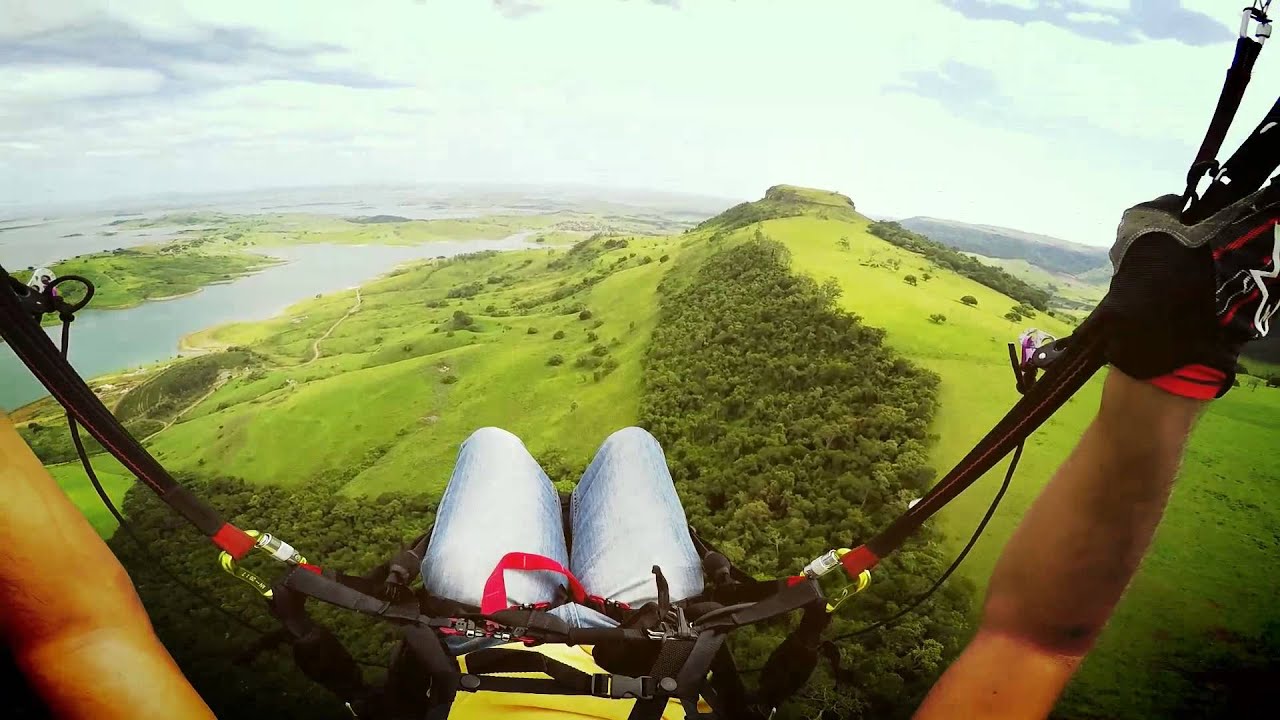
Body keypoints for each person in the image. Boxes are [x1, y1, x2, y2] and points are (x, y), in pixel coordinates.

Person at [0, 187, 1275, 719]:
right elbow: (1032, 646)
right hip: (620, 627)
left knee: (515, 435)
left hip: (523, 624)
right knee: (610, 441)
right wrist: (1163, 376)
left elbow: (71, 637)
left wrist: (1161, 381)